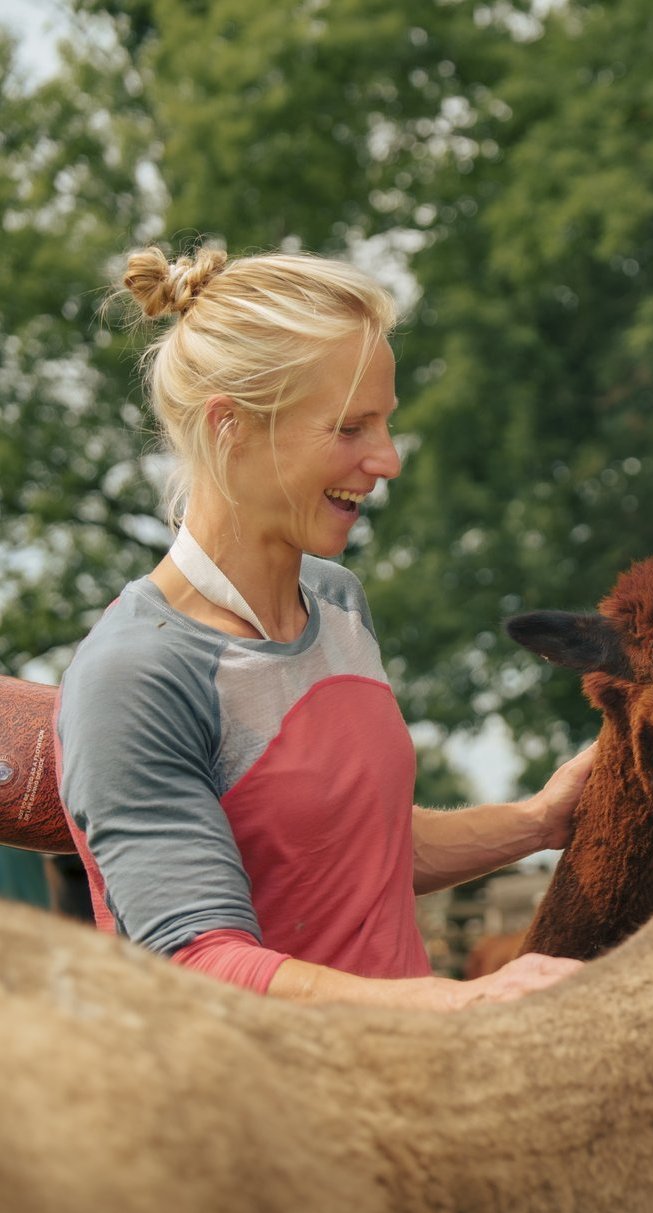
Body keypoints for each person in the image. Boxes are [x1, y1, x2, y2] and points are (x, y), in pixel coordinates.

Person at [56, 244, 588, 1011]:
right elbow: (197, 963)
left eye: (385, 423)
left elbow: (347, 848)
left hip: (396, 1096)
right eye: (350, 428)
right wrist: (462, 1002)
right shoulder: (135, 673)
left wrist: (539, 822)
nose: (388, 459)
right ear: (230, 426)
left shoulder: (337, 603)